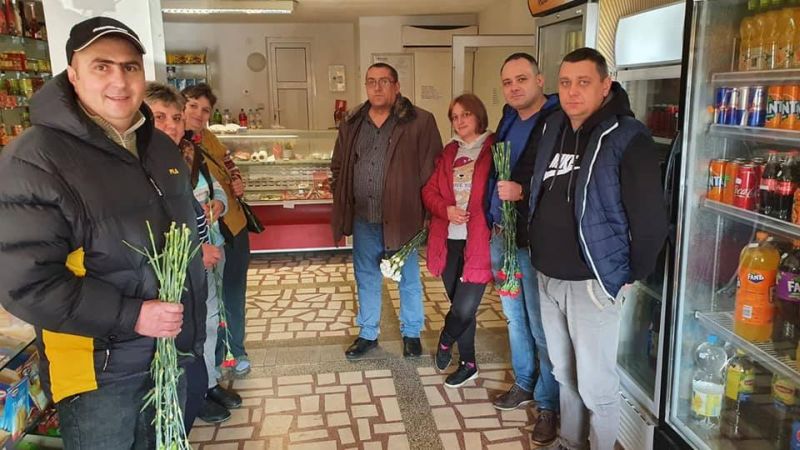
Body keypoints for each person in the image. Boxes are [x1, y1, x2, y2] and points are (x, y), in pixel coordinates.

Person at [0, 17, 207, 448]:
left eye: (130, 67)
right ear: (73, 75)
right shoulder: (34, 159)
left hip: (169, 353)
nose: (119, 80)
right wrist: (133, 315)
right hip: (99, 376)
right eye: (102, 66)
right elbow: (27, 284)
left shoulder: (160, 148)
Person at [523, 47, 667, 450]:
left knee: (596, 385)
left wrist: (629, 275)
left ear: (605, 85)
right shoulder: (553, 125)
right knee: (563, 373)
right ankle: (570, 441)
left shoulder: (627, 137)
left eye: (583, 82)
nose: (572, 92)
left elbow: (650, 219)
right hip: (547, 275)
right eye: (565, 83)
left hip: (591, 282)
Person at [145, 83, 243, 425]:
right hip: (174, 269)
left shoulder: (186, 153)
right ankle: (191, 395)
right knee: (185, 331)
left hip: (202, 258)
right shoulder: (137, 163)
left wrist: (217, 207)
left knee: (206, 323)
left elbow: (213, 190)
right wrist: (194, 250)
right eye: (159, 117)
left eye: (175, 118)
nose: (171, 125)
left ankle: (207, 384)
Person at [331, 62, 443, 359]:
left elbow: (433, 171)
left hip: (403, 219)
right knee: (366, 276)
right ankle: (368, 333)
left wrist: (427, 216)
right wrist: (340, 194)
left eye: (384, 81)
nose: (377, 87)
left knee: (408, 277)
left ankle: (411, 333)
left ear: (397, 86)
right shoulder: (353, 122)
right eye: (371, 81)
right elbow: (338, 165)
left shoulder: (420, 121)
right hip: (364, 218)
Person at [487, 52, 561, 447]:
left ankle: (548, 404)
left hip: (532, 241)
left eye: (521, 79)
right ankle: (524, 383)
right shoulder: (509, 119)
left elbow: (562, 181)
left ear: (539, 79)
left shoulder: (557, 121)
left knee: (541, 324)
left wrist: (524, 191)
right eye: (507, 82)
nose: (514, 87)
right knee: (514, 318)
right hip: (502, 235)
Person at [422, 94, 493, 388]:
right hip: (449, 239)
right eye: (455, 117)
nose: (460, 121)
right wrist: (446, 210)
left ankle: (445, 339)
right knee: (459, 306)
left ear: (478, 115)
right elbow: (429, 192)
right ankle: (469, 363)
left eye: (466, 114)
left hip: (479, 241)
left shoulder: (494, 149)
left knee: (463, 308)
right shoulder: (449, 152)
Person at [182, 83, 251, 378]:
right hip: (198, 239)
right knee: (207, 301)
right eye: (192, 106)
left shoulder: (208, 138)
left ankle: (235, 351)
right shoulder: (173, 144)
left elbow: (227, 163)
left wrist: (236, 180)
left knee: (231, 292)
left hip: (230, 227)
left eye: (205, 110)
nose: (198, 114)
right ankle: (213, 359)